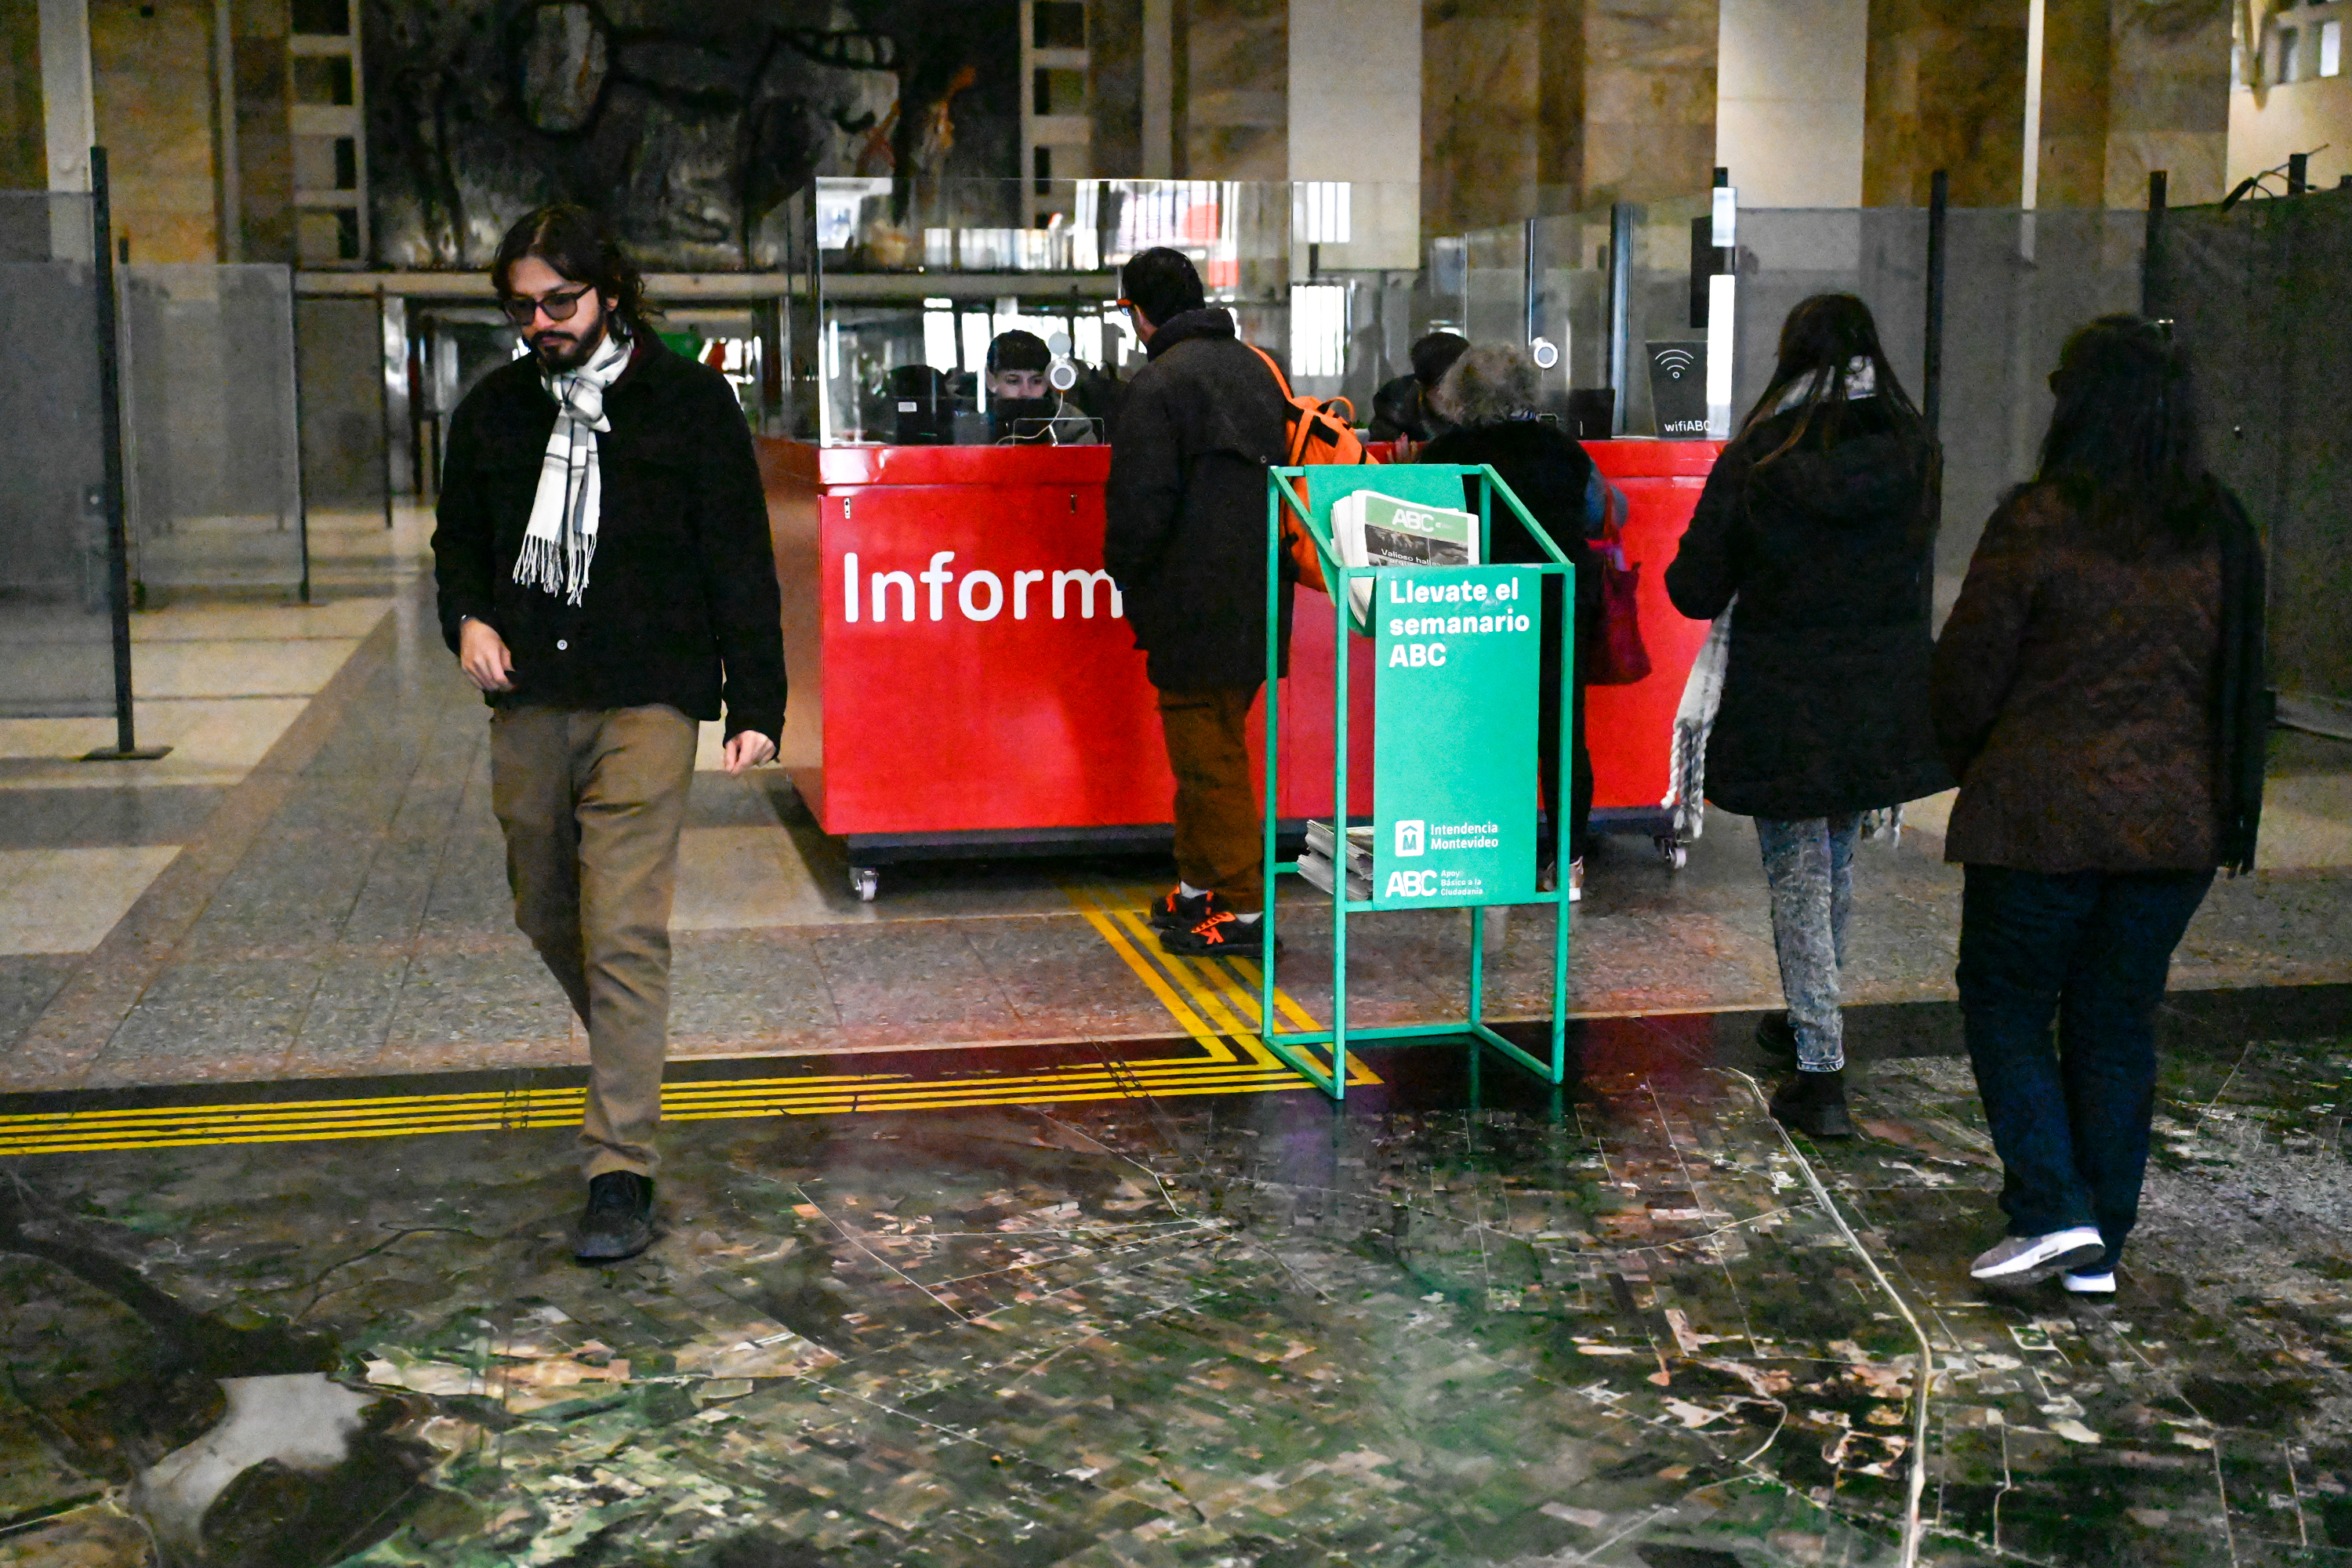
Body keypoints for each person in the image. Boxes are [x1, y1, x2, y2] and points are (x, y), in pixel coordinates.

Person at [431, 205, 786, 1262]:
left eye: (559, 302)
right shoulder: (493, 413)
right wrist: (468, 620)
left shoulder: (687, 404)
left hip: (650, 694)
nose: (541, 322)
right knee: (547, 908)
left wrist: (758, 702)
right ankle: (632, 1048)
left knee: (625, 928)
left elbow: (738, 555)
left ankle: (618, 1166)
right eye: (522, 306)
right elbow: (459, 548)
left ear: (609, 294)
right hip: (532, 694)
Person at [1931, 315, 2266, 1294]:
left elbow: (1969, 670)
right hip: (2175, 825)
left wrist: (1960, 750)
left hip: (2039, 817)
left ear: (2079, 405)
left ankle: (2053, 1208)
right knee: (2118, 1021)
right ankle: (2096, 1243)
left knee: (2006, 1002)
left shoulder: (2039, 518)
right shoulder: (2222, 526)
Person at [1664, 293, 1949, 1138]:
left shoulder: (1764, 451)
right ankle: (1806, 1016)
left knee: (1799, 873)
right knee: (1835, 860)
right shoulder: (1914, 448)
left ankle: (1822, 1071)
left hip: (1786, 694)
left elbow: (1693, 587)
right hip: (1882, 690)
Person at [1102, 246, 1292, 956]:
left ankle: (1240, 910)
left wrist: (1126, 576)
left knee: (1210, 763)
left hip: (1191, 605)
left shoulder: (1159, 384)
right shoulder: (1256, 369)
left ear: (1138, 312)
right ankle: (1196, 887)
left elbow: (1140, 509)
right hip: (1257, 597)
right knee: (1207, 750)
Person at [1414, 345, 1606, 898]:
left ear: (1459, 394)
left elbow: (1425, 538)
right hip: (1557, 607)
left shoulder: (1442, 456)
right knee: (1561, 734)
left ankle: (1485, 858)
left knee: (1481, 735)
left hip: (1475, 614)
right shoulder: (1564, 452)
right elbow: (1598, 513)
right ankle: (1567, 863)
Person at [1368, 331, 1470, 446]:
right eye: (1447, 389)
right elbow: (1379, 456)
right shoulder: (1395, 409)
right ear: (1422, 387)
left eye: (1465, 386)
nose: (1459, 399)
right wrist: (1405, 464)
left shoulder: (1482, 405)